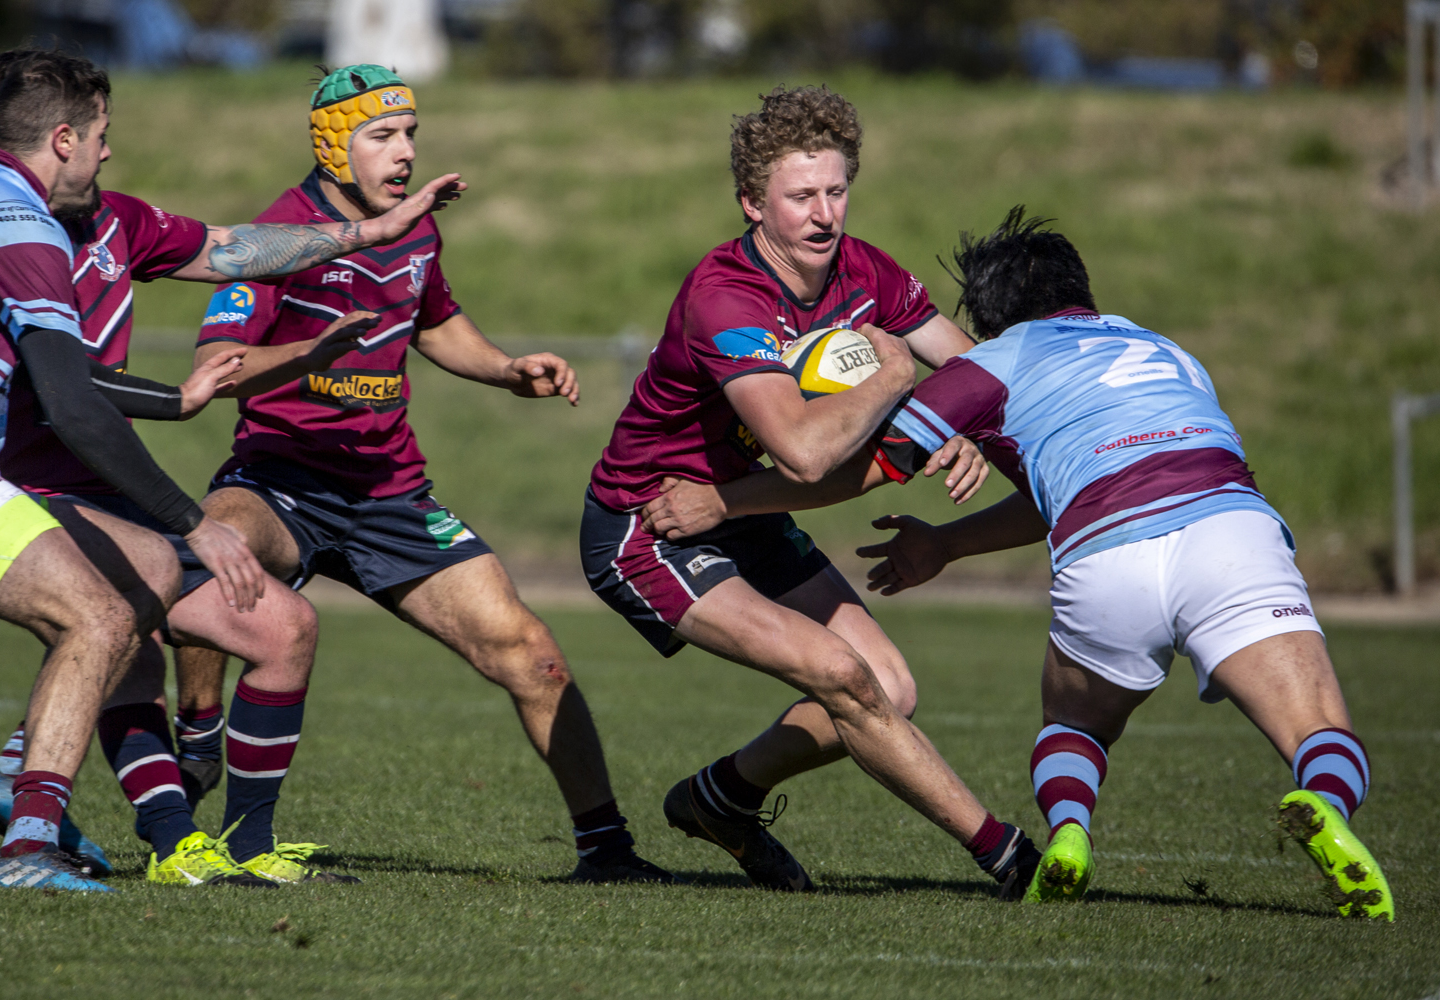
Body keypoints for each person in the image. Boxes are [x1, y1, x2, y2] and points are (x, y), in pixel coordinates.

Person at [643, 207, 1394, 920]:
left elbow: (862, 472)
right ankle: (1324, 804)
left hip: (1108, 554)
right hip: (1228, 528)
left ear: (988, 316)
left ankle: (1068, 833)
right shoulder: (1166, 350)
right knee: (1318, 726)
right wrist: (947, 542)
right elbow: (1068, 488)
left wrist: (726, 502)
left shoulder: (992, 362)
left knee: (1075, 729)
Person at [0, 48, 465, 887]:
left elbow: (233, 248)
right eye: (99, 134)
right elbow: (60, 390)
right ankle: (141, 834)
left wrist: (366, 232)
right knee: (125, 617)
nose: (110, 150)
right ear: (53, 138)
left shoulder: (114, 220)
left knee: (282, 629)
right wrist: (179, 411)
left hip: (100, 481)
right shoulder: (6, 228)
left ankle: (240, 843)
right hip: (15, 483)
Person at [169, 64, 674, 884]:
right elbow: (216, 366)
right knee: (212, 547)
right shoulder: (279, 236)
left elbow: (436, 322)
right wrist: (309, 353)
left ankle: (607, 852)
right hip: (280, 480)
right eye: (382, 136)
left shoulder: (415, 230)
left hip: (390, 495)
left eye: (410, 134)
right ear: (335, 147)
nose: (404, 152)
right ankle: (199, 733)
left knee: (534, 656)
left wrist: (506, 369)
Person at [581, 85, 1041, 896]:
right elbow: (800, 453)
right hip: (650, 525)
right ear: (751, 203)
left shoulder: (867, 271)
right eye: (801, 197)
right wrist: (896, 377)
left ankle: (720, 799)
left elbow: (979, 372)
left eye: (836, 190)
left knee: (890, 687)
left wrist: (966, 424)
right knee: (841, 673)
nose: (825, 215)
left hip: (742, 510)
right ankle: (1006, 856)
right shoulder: (726, 296)